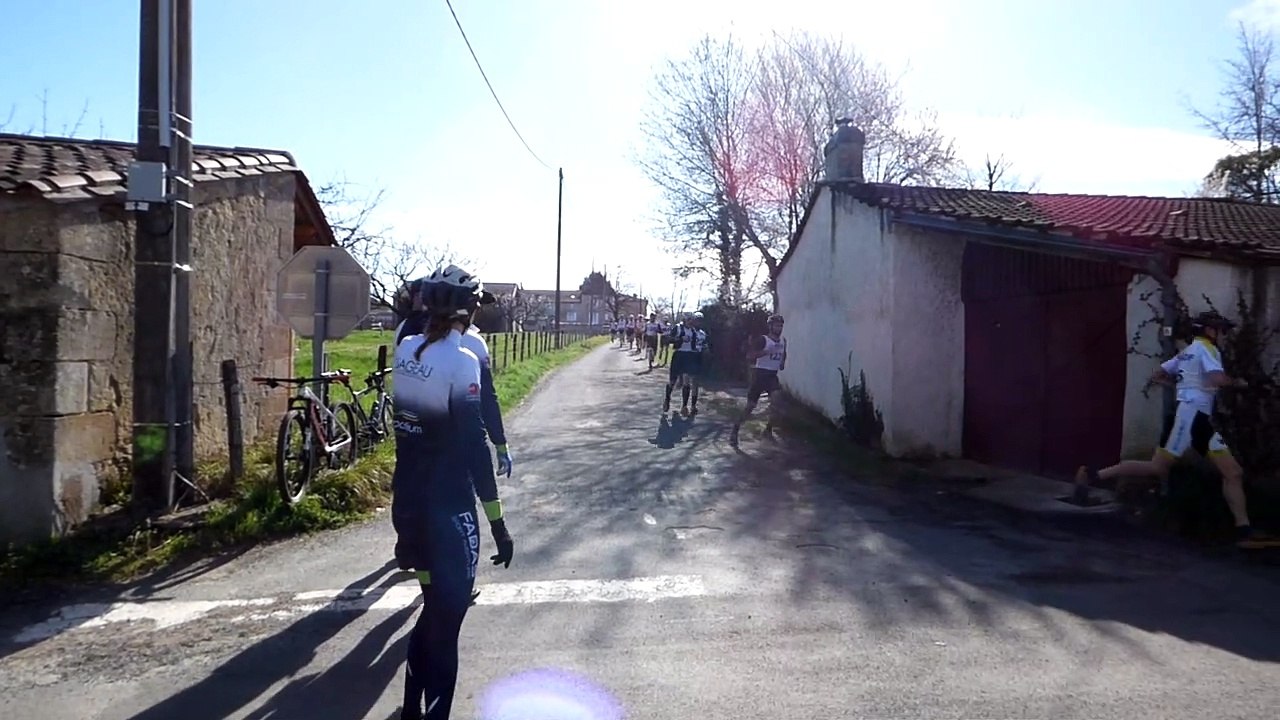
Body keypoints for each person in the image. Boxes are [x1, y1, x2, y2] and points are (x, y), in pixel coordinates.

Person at [389, 266, 515, 719]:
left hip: (407, 503)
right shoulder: (462, 360)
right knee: (449, 620)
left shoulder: (405, 349)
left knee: (430, 611)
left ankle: (408, 709)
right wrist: (498, 523)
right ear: (471, 309)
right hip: (449, 508)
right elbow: (473, 447)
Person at [1072, 310, 1276, 549]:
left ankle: (1245, 531)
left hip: (1195, 418)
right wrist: (1242, 383)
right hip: (1189, 418)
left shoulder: (1187, 352)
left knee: (1233, 473)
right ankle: (1093, 474)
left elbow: (1158, 375)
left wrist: (1182, 385)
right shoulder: (1207, 350)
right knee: (1158, 468)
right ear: (1209, 330)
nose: (1222, 335)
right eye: (1220, 330)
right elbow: (1217, 380)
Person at [729, 314, 786, 447]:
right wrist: (766, 352)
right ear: (770, 326)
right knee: (750, 407)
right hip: (760, 375)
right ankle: (735, 430)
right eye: (777, 325)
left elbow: (784, 355)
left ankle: (768, 430)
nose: (779, 328)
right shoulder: (763, 340)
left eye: (781, 325)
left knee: (777, 402)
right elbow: (749, 355)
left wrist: (782, 362)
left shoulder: (783, 340)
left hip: (772, 376)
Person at [663, 311, 709, 416]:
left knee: (686, 381)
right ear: (684, 320)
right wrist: (679, 339)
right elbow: (668, 340)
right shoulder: (678, 328)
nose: (690, 322)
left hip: (689, 356)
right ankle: (667, 399)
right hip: (678, 355)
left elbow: (697, 346)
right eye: (689, 320)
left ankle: (684, 406)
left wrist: (703, 350)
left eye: (691, 320)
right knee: (672, 381)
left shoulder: (694, 331)